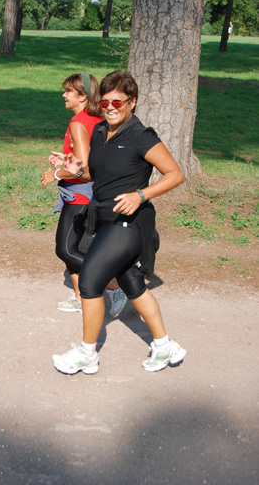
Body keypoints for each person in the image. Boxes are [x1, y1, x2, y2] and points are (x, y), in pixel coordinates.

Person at [51, 70, 187, 374]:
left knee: (89, 281)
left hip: (129, 223)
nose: (111, 107)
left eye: (118, 102)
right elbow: (95, 175)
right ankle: (166, 347)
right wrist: (74, 167)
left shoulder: (141, 136)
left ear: (132, 102)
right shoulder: (100, 132)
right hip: (104, 218)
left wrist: (140, 194)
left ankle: (87, 354)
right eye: (106, 102)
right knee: (133, 284)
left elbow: (175, 174)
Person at [41, 73, 127, 318]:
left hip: (81, 194)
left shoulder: (79, 122)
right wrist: (64, 159)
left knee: (66, 250)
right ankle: (81, 297)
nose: (64, 95)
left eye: (68, 91)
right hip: (88, 192)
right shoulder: (96, 117)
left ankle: (115, 284)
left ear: (82, 96)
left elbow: (83, 169)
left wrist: (56, 173)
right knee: (73, 247)